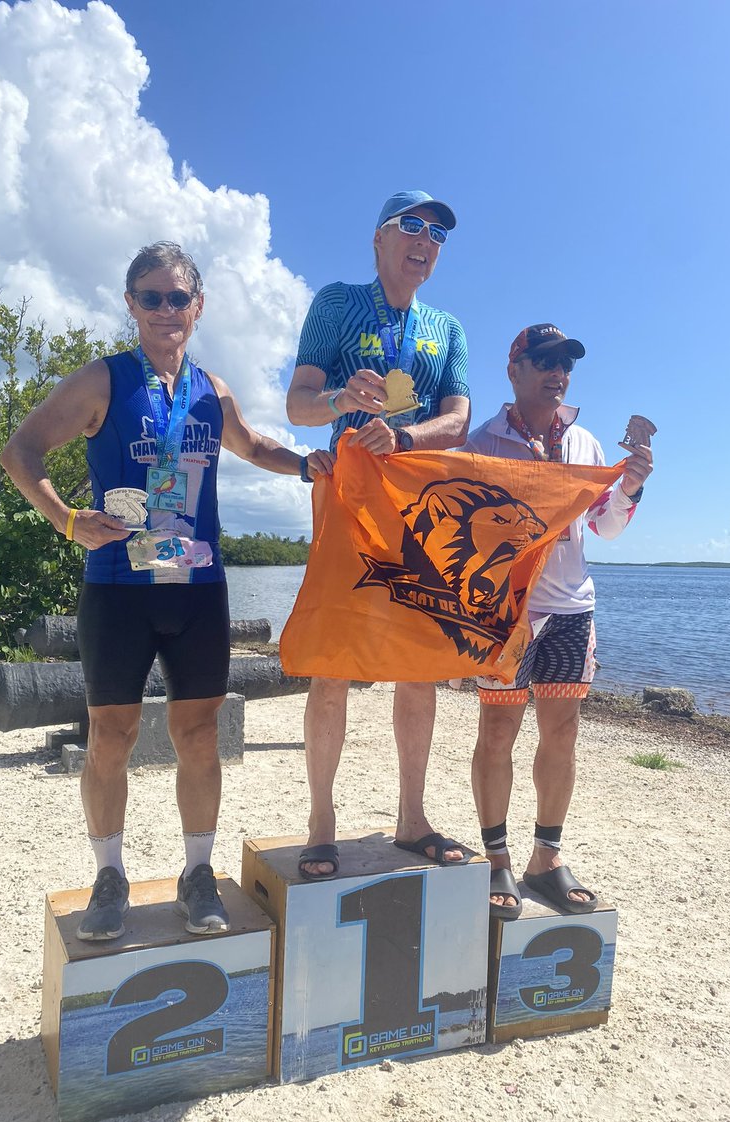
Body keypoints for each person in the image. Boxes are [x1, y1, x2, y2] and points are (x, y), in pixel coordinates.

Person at [1, 241, 331, 939]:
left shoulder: (212, 389)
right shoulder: (103, 381)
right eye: (150, 297)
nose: (164, 310)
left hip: (197, 587)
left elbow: (252, 445)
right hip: (119, 588)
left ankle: (197, 872)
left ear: (198, 306)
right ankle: (110, 876)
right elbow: (20, 452)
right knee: (111, 738)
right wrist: (66, 520)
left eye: (177, 297)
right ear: (130, 305)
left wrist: (312, 466)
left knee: (199, 736)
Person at [285, 190, 471, 877]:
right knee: (332, 664)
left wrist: (406, 434)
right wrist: (340, 400)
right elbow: (298, 405)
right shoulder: (337, 303)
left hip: (420, 509)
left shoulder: (447, 329)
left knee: (419, 668)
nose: (426, 241)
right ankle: (321, 820)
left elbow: (457, 417)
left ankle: (412, 817)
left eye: (438, 235)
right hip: (346, 501)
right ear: (379, 238)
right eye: (412, 226)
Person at [462, 324, 654, 919]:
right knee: (497, 735)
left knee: (562, 731)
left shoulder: (587, 445)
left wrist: (633, 486)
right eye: (543, 361)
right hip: (506, 613)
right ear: (514, 369)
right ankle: (497, 860)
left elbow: (606, 527)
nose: (557, 372)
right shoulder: (484, 442)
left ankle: (545, 857)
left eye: (565, 363)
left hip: (572, 606)